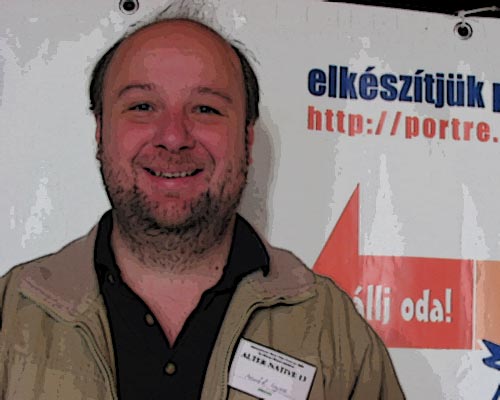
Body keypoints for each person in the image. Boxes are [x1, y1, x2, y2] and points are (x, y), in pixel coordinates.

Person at [0, 7, 405, 400]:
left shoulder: (333, 332)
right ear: (100, 132)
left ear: (247, 140)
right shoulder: (10, 315)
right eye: (142, 106)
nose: (173, 137)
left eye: (206, 109)